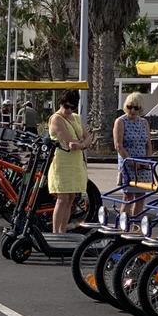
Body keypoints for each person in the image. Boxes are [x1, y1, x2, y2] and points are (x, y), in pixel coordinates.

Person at [48, 90, 93, 234]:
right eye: (66, 106)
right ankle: (56, 232)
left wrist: (81, 144)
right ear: (61, 103)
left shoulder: (76, 118)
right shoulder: (56, 119)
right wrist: (82, 143)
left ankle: (63, 230)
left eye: (72, 107)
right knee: (62, 197)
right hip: (62, 161)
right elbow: (70, 143)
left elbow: (88, 137)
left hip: (75, 162)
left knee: (71, 197)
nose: (68, 110)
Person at [113, 92, 152, 219]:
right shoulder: (121, 121)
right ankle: (123, 225)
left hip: (143, 163)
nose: (133, 110)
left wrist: (147, 162)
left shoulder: (144, 122)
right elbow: (118, 145)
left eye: (136, 108)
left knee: (141, 196)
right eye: (130, 107)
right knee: (128, 196)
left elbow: (148, 144)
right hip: (128, 163)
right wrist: (132, 162)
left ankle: (137, 225)